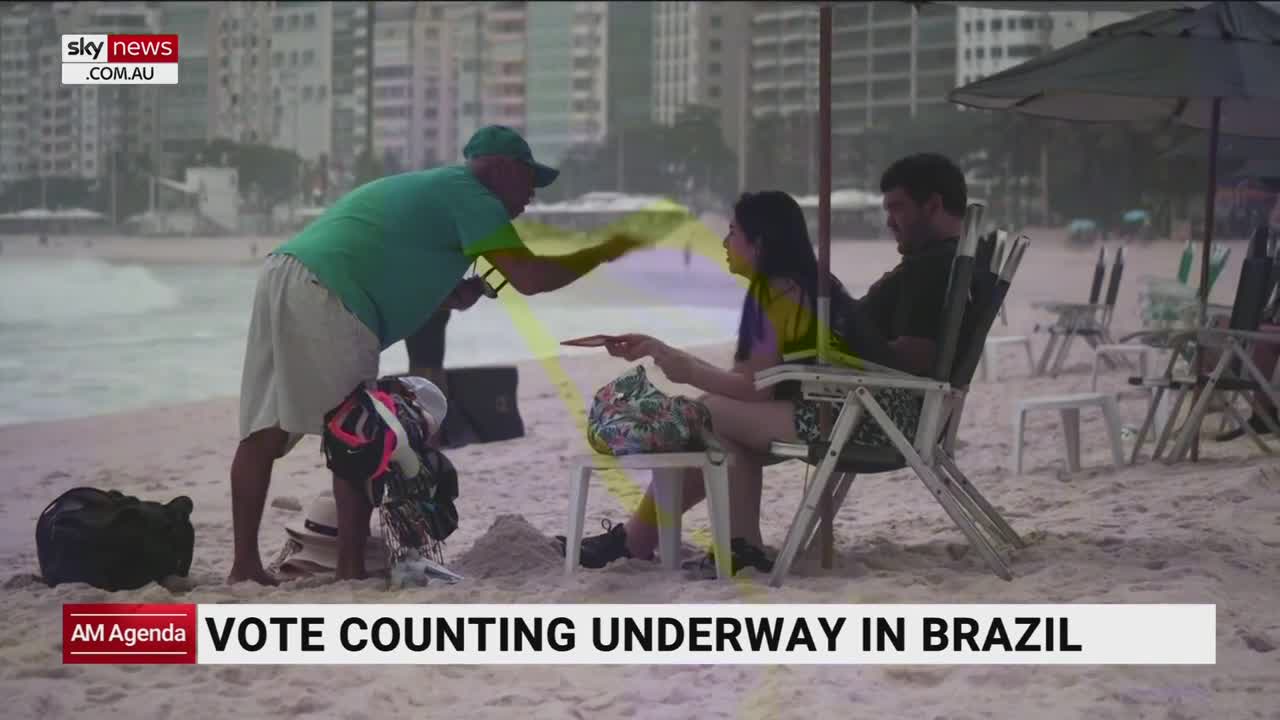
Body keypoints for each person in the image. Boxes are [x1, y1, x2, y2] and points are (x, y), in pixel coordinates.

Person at [230, 125, 648, 585]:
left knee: (263, 431)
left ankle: (244, 567)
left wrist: (455, 293)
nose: (531, 196)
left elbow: (394, 259)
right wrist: (603, 252)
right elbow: (530, 277)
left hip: (283, 271)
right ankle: (349, 571)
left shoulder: (439, 189)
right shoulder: (473, 195)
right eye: (530, 180)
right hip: (330, 290)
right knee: (357, 434)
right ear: (502, 168)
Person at [561, 154, 966, 575]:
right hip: (868, 408)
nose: (724, 242)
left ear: (759, 243)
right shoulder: (801, 283)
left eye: (733, 232)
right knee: (718, 416)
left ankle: (673, 543)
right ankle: (696, 544)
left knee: (709, 414)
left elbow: (755, 388)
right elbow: (751, 380)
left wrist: (680, 365)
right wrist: (663, 353)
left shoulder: (777, 290)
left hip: (863, 416)